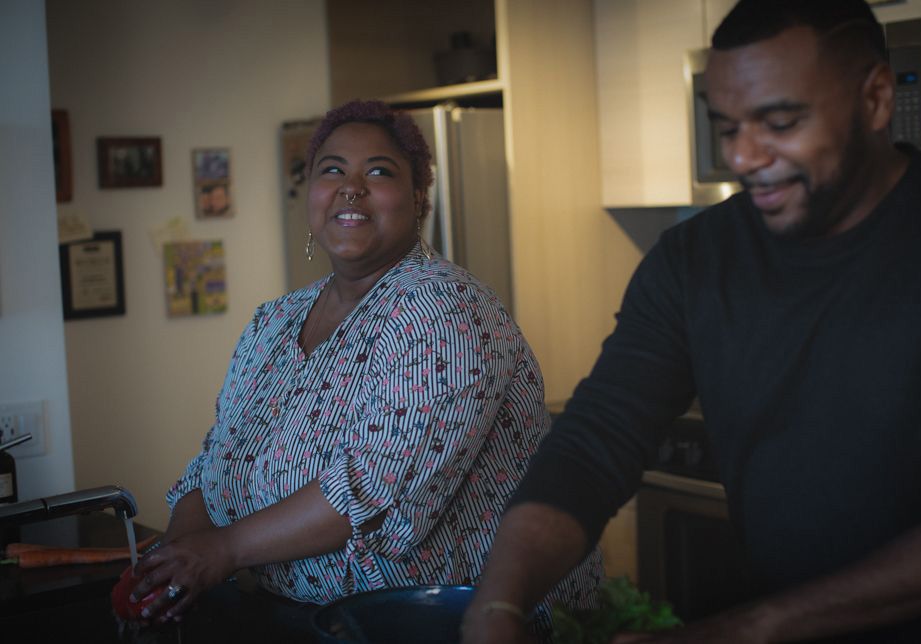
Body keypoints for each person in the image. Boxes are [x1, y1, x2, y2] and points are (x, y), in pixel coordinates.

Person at [462, 0, 921, 642]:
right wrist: (497, 604)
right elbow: (596, 439)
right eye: (728, 127)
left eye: (778, 122)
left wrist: (743, 629)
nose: (744, 157)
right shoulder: (693, 260)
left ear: (877, 98)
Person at [125, 100, 602, 632]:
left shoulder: (444, 310)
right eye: (332, 170)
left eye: (378, 171)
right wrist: (180, 556)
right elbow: (218, 457)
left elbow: (375, 489)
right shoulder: (274, 322)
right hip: (315, 621)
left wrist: (223, 549)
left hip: (459, 626)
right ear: (312, 195)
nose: (351, 187)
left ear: (419, 198)